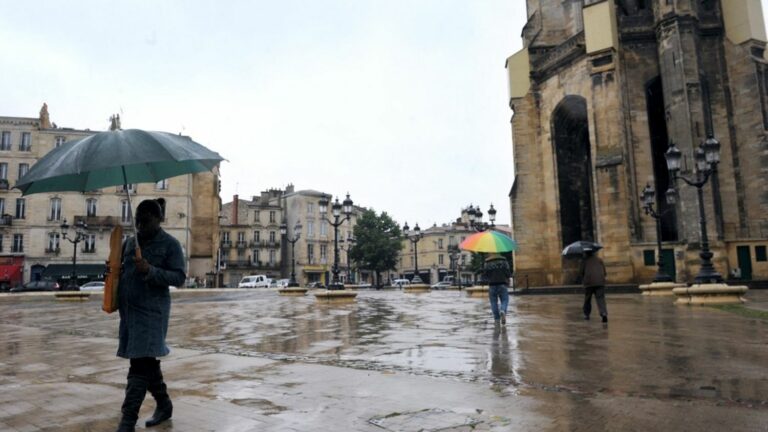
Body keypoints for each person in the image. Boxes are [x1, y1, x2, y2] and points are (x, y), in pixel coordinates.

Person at [114, 199, 186, 431]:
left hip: (152, 314)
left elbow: (179, 277)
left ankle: (127, 421)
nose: (141, 224)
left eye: (146, 220)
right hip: (130, 315)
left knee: (139, 366)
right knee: (147, 362)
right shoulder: (129, 243)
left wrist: (150, 270)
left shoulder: (170, 244)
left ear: (158, 218)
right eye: (138, 219)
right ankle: (164, 405)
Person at [483, 253, 512, 324]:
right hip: (502, 283)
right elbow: (508, 273)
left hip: (492, 285)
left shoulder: (487, 262)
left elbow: (486, 275)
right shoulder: (504, 261)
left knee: (493, 302)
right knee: (505, 300)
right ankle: (503, 310)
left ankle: (497, 319)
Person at [581, 250, 608, 323]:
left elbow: (581, 272)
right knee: (600, 299)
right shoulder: (599, 260)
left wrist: (583, 279)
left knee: (588, 299)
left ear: (586, 253)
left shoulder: (584, 260)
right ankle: (603, 313)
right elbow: (604, 271)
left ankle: (587, 314)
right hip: (600, 282)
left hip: (589, 282)